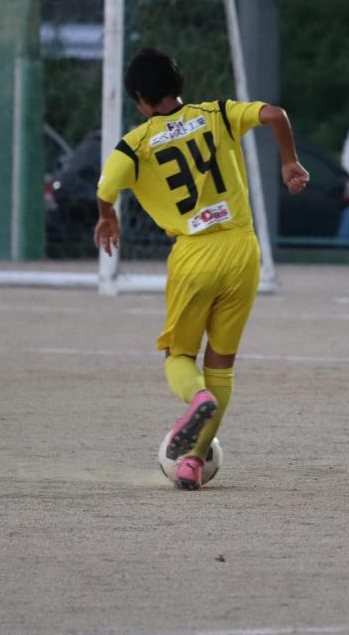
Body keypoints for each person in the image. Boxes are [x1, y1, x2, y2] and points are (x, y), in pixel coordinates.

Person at [94, 47, 309, 490]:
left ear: (140, 100)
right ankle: (193, 461)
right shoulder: (218, 113)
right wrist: (289, 160)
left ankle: (198, 398)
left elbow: (106, 187)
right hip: (243, 251)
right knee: (222, 362)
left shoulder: (135, 143)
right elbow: (275, 114)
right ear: (179, 85)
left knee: (179, 357)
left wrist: (107, 216)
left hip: (194, 254)